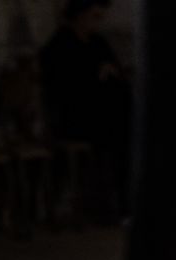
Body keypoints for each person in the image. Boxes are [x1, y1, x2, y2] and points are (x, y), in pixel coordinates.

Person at [39, 0, 133, 222]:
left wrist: (109, 74)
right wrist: (95, 76)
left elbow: (115, 70)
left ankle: (124, 203)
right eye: (94, 16)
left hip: (103, 113)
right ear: (79, 15)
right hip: (75, 117)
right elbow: (61, 89)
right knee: (119, 131)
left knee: (125, 121)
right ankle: (116, 205)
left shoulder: (98, 42)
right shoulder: (59, 46)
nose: (97, 23)